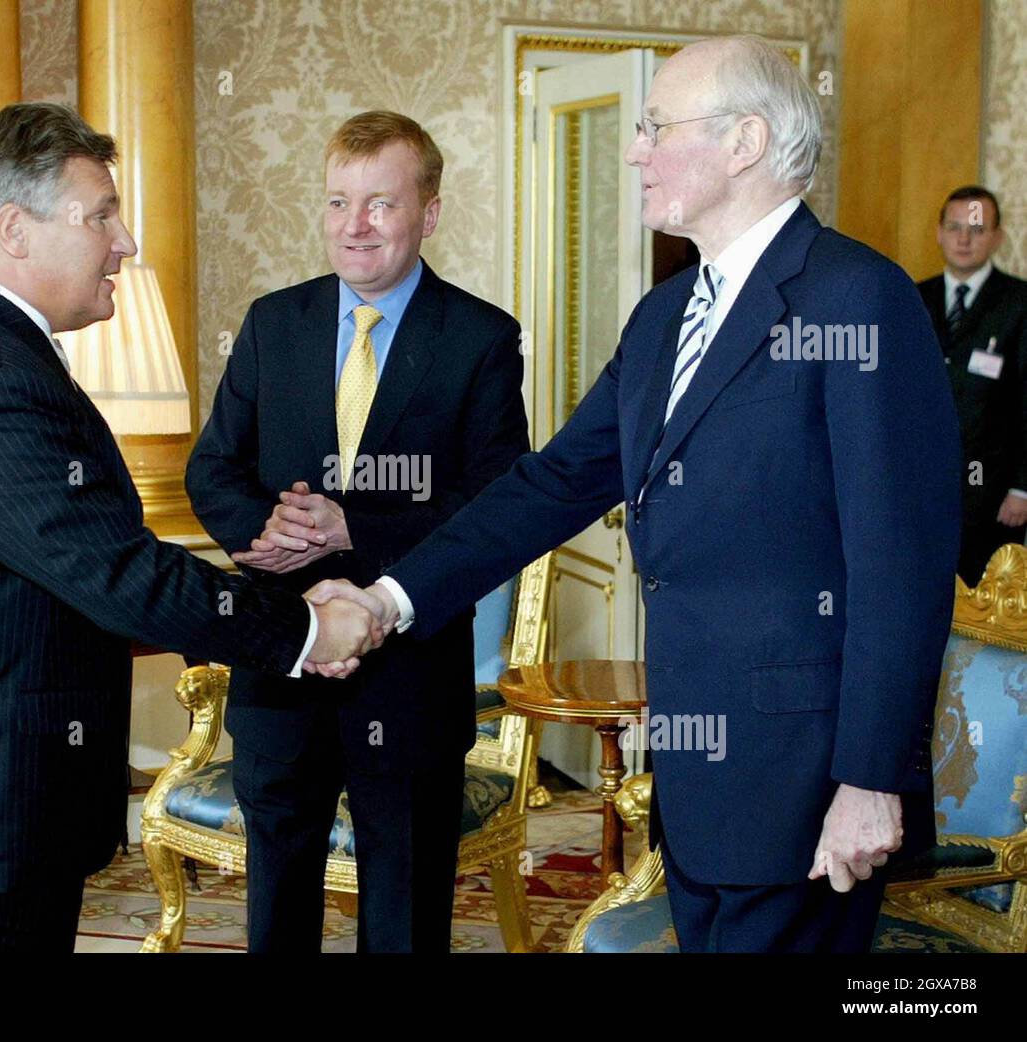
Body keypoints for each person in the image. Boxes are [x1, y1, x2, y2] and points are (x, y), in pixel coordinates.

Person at [319, 36, 962, 953]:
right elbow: (549, 485)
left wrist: (870, 780)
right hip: (697, 778)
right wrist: (388, 599)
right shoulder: (666, 314)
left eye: (656, 127)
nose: (634, 149)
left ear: (745, 142)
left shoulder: (858, 298)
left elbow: (901, 561)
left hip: (807, 784)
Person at [0, 103, 379, 953]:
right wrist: (310, 626)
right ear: (14, 229)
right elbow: (119, 576)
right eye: (100, 216)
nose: (125, 242)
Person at [186, 111, 529, 952]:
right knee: (277, 910)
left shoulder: (481, 338)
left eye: (380, 203)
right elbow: (211, 471)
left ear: (431, 212)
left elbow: (499, 504)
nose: (355, 226)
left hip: (408, 671)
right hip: (284, 658)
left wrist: (353, 530)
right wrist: (268, 530)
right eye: (339, 202)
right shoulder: (274, 323)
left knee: (405, 914)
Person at [918, 185, 1027, 587]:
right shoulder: (912, 298)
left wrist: (1022, 489)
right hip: (923, 489)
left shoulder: (1020, 303)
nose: (964, 239)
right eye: (955, 227)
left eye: (977, 230)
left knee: (983, 612)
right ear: (939, 233)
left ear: (997, 237)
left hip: (993, 494)